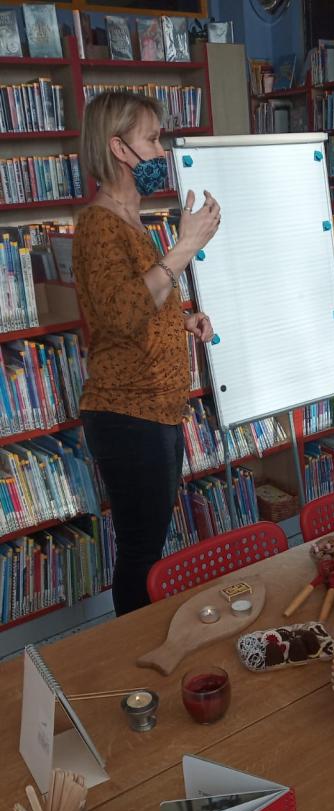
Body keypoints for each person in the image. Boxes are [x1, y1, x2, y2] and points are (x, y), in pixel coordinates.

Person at [73, 91, 221, 616]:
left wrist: (181, 321)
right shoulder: (98, 225)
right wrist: (186, 246)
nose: (162, 151)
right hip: (127, 413)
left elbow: (138, 303)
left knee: (149, 542)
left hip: (156, 408)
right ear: (119, 148)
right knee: (141, 550)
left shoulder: (132, 220)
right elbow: (119, 315)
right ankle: (132, 650)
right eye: (152, 139)